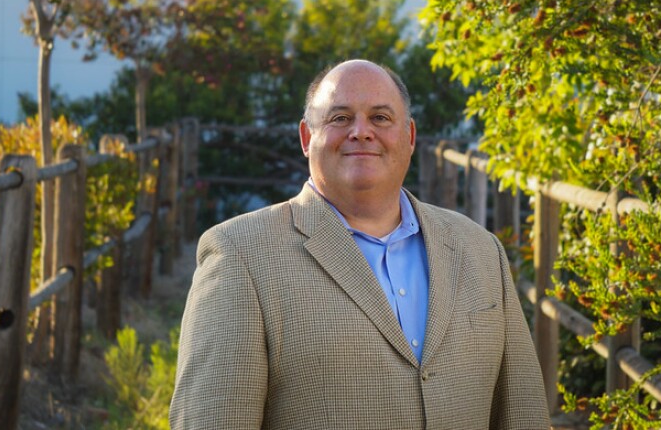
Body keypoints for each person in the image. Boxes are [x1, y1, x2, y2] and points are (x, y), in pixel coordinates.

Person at [170, 59, 551, 429]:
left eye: (381, 118)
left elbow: (524, 414)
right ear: (306, 137)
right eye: (340, 118)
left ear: (410, 136)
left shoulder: (481, 250)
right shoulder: (239, 254)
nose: (361, 131)